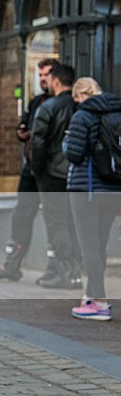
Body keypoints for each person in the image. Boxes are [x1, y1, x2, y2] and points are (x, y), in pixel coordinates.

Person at [0, 58, 58, 282]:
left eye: (47, 74)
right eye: (41, 75)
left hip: (49, 169)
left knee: (55, 218)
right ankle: (12, 264)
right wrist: (22, 132)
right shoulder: (36, 101)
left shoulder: (62, 103)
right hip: (30, 168)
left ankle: (57, 267)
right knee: (22, 215)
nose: (43, 78)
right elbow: (24, 127)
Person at [62, 77, 121, 320]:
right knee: (99, 244)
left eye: (76, 99)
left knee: (88, 245)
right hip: (113, 188)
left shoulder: (82, 115)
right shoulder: (117, 112)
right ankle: (90, 296)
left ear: (80, 95)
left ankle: (99, 303)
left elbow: (74, 154)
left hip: (86, 190)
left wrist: (66, 142)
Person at [30, 63, 82, 289]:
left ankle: (65, 273)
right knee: (73, 224)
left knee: (57, 224)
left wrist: (36, 169)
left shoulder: (48, 107)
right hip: (76, 174)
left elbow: (38, 144)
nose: (47, 83)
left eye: (49, 79)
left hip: (51, 174)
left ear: (57, 81)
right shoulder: (81, 107)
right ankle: (74, 273)